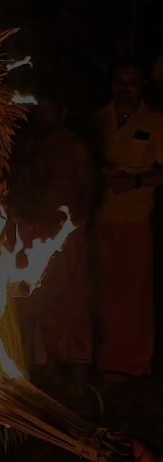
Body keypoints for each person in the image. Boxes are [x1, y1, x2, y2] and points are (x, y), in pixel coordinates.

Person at [6, 92, 96, 385]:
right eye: (39, 111)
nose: (43, 117)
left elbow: (89, 192)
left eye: (49, 111)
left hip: (67, 236)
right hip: (36, 234)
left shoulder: (75, 147)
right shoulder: (30, 147)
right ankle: (51, 364)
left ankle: (79, 365)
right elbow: (21, 187)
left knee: (72, 298)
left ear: (63, 113)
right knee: (42, 298)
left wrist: (72, 227)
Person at [88, 56, 163, 381]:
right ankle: (105, 360)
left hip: (134, 218)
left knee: (133, 294)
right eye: (120, 80)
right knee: (102, 292)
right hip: (98, 218)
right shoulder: (98, 119)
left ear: (143, 84)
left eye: (132, 81)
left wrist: (135, 181)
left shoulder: (156, 122)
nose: (125, 87)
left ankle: (134, 363)